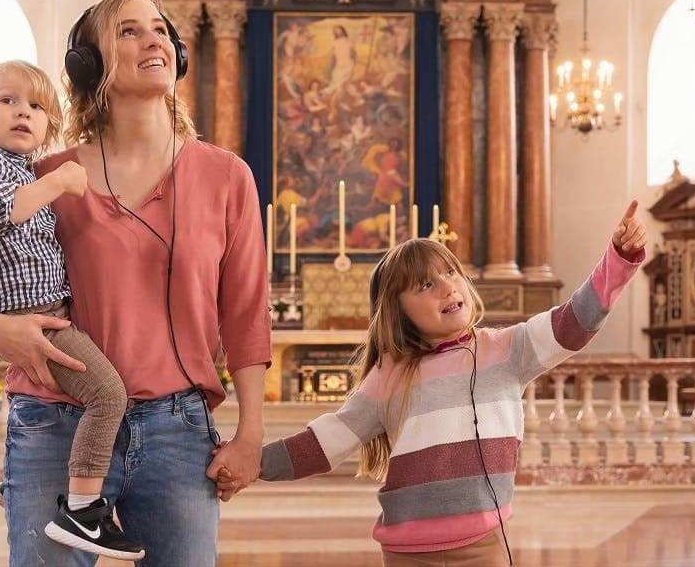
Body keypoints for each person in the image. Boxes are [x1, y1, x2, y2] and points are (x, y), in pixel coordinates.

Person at [0, 0, 271, 567]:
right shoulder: (46, 176)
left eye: (160, 28)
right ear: (87, 65)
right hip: (52, 420)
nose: (153, 39)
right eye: (129, 31)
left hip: (177, 429)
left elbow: (245, 313)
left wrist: (250, 433)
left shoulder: (226, 177)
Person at [235, 201, 648, 566]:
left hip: (484, 544)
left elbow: (572, 322)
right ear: (398, 311)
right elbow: (325, 442)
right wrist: (249, 463)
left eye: (451, 272)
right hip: (406, 551)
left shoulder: (506, 350)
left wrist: (618, 260)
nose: (449, 286)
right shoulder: (390, 377)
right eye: (426, 285)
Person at [0, 60, 144, 561]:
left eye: (36, 107)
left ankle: (18, 485)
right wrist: (60, 183)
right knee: (105, 394)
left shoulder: (17, 169)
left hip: (31, 305)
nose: (22, 112)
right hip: (26, 311)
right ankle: (82, 512)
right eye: (7, 101)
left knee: (93, 393)